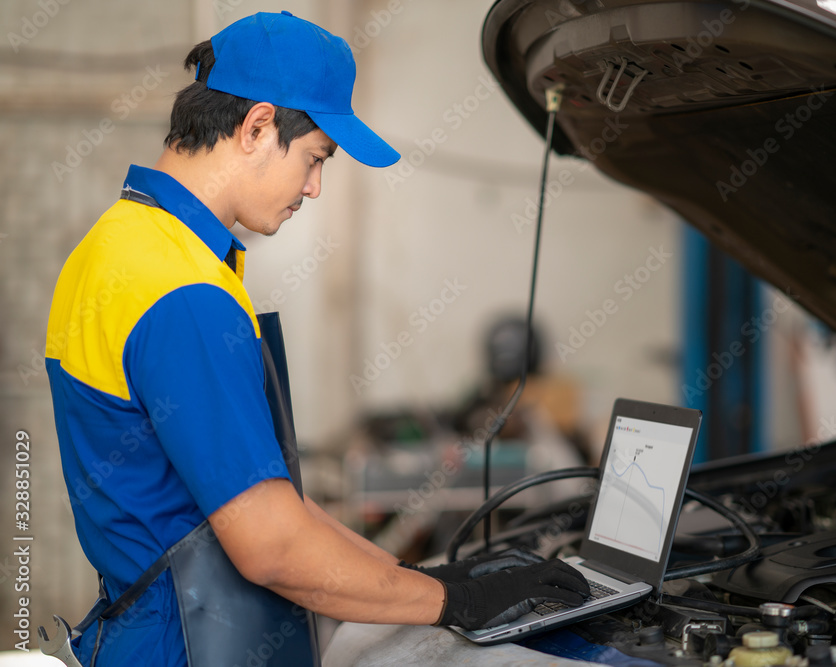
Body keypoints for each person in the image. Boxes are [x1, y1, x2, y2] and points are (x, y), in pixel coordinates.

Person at [44, 11, 588, 665]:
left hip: (145, 624)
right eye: (315, 158)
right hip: (192, 643)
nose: (314, 187)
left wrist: (423, 580)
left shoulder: (115, 246)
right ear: (257, 126)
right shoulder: (183, 295)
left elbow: (270, 503)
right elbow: (271, 544)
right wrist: (452, 604)